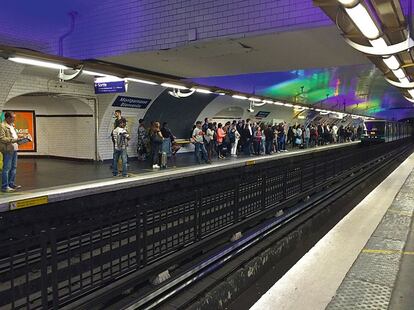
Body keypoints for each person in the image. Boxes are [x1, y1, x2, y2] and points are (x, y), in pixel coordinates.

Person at [0, 112, 27, 192]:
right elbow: (2, 138)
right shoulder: (2, 126)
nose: (14, 119)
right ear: (8, 118)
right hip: (8, 149)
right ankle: (5, 186)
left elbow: (14, 136)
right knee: (6, 168)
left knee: (13, 168)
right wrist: (15, 140)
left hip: (15, 148)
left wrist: (21, 138)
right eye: (13, 118)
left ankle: (11, 184)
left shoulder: (12, 125)